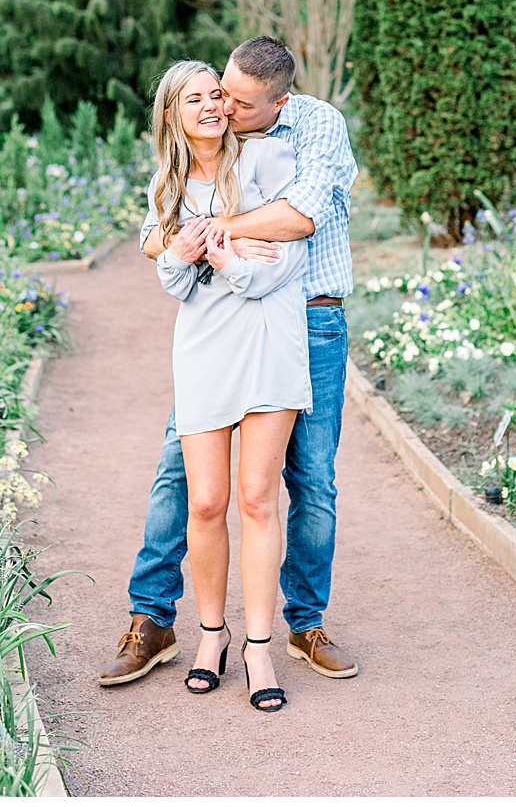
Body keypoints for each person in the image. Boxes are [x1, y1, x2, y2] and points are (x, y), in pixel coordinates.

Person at [100, 36, 360, 691]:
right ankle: (155, 620)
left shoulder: (308, 131)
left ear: (279, 102)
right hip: (215, 334)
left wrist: (217, 232)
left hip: (308, 317)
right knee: (183, 483)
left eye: (238, 102)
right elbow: (157, 235)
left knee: (308, 482)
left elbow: (299, 220)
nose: (225, 107)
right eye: (217, 92)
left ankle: (302, 625)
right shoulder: (199, 154)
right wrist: (189, 238)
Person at [146, 61, 309, 711]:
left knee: (257, 500)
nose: (213, 105)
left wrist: (218, 253)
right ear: (173, 114)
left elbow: (286, 258)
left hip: (270, 345)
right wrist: (190, 255)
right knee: (207, 503)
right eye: (196, 98)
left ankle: (259, 649)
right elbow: (172, 283)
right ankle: (211, 636)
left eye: (218, 94)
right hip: (205, 351)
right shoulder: (167, 186)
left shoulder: (269, 159)